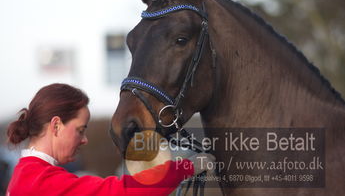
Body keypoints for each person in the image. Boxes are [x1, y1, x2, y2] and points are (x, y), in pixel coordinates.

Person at [6, 83, 214, 196]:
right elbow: (120, 192)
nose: (84, 140)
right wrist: (185, 167)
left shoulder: (27, 174)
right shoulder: (39, 181)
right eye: (80, 130)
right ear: (56, 125)